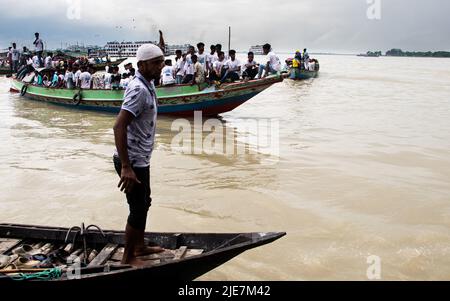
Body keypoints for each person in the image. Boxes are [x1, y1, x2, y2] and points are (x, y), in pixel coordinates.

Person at [113, 43, 165, 267]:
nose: (161, 66)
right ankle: (128, 258)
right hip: (132, 161)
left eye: (162, 62)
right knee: (137, 208)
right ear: (141, 65)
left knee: (145, 203)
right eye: (156, 63)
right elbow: (119, 126)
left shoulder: (148, 84)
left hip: (141, 158)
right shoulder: (139, 89)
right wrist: (126, 167)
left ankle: (139, 245)